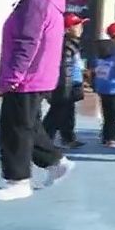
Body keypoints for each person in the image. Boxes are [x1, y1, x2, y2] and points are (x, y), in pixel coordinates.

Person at [0, 0, 74, 202]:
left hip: (28, 78)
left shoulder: (36, 3)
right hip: (35, 76)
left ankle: (18, 181)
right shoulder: (37, 1)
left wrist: (14, 76)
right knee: (29, 126)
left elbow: (27, 42)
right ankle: (55, 162)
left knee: (14, 130)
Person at [43, 14, 87, 149]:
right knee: (56, 113)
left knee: (67, 113)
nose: (81, 28)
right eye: (76, 25)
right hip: (64, 85)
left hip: (70, 84)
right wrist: (65, 89)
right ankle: (44, 141)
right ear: (67, 29)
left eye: (81, 25)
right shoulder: (66, 45)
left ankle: (67, 138)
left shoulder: (72, 44)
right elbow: (65, 69)